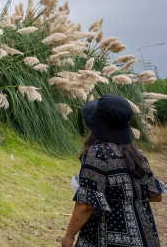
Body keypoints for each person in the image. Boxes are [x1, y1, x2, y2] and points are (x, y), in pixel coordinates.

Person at [61, 94, 164, 247]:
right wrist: (125, 199)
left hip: (107, 238)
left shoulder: (97, 153)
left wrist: (69, 236)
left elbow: (87, 205)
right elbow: (156, 195)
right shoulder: (137, 154)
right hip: (147, 239)